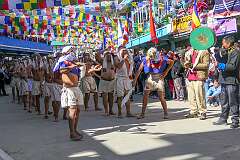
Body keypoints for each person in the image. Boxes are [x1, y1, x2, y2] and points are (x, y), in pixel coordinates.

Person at [133, 47, 174, 119]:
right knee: (145, 96)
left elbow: (171, 62)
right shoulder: (146, 59)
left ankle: (166, 113)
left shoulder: (162, 58)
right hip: (150, 78)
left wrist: (166, 71)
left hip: (159, 78)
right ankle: (142, 114)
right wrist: (134, 80)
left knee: (161, 97)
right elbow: (139, 70)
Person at [213, 36, 240, 129]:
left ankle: (235, 120)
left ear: (228, 43)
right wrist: (216, 78)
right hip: (223, 80)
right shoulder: (224, 52)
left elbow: (233, 67)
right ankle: (223, 118)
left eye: (224, 43)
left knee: (233, 102)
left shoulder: (235, 52)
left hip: (232, 80)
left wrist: (220, 65)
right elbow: (218, 59)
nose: (222, 45)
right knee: (224, 101)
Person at [184, 48, 210, 120]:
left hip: (199, 76)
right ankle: (193, 111)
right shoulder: (190, 52)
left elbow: (206, 65)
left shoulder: (204, 51)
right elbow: (186, 63)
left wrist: (193, 65)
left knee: (200, 95)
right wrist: (185, 62)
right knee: (191, 96)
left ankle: (202, 112)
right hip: (190, 76)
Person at [114, 47, 135, 118]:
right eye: (123, 51)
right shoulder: (117, 58)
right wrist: (123, 59)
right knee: (120, 97)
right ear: (120, 51)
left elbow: (130, 70)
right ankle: (119, 113)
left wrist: (132, 79)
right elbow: (118, 66)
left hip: (127, 79)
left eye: (126, 51)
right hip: (120, 79)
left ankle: (128, 112)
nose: (125, 52)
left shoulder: (129, 59)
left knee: (127, 96)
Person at [98, 51, 116, 116]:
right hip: (104, 81)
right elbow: (98, 55)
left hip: (112, 81)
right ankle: (106, 111)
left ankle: (111, 110)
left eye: (109, 56)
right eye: (107, 56)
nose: (108, 57)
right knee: (105, 97)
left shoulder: (113, 63)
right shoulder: (102, 62)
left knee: (111, 97)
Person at [51, 52, 63, 122]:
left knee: (62, 102)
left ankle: (63, 115)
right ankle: (56, 116)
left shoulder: (65, 63)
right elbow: (53, 76)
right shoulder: (54, 64)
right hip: (56, 85)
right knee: (57, 101)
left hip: (63, 84)